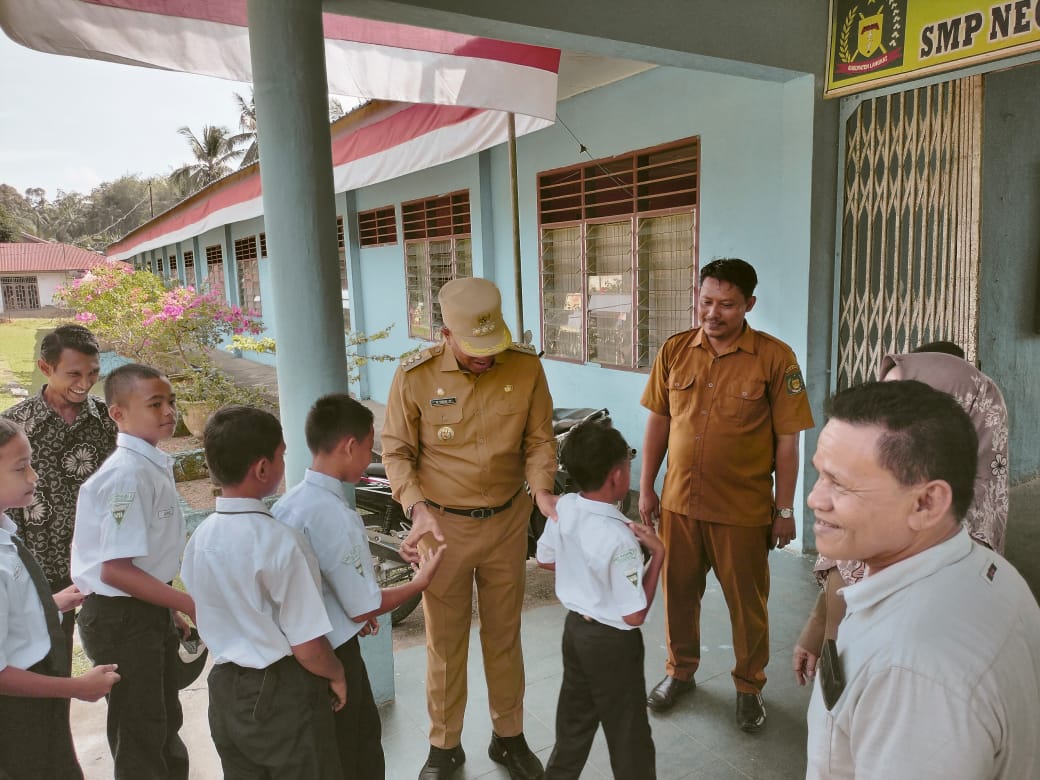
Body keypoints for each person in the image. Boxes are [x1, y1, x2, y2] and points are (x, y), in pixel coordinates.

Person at [804, 380, 1040, 779]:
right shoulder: (988, 570)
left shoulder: (912, 672)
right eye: (820, 475)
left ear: (926, 503)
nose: (815, 499)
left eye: (839, 484)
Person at [381, 276, 557, 780]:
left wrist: (543, 492)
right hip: (441, 529)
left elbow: (539, 440)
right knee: (445, 641)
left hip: (507, 523)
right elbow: (396, 451)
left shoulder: (525, 367)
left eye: (492, 344)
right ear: (445, 334)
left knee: (505, 635)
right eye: (474, 348)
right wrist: (416, 507)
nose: (486, 357)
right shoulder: (414, 376)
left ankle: (509, 736)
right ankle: (445, 745)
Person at [638, 258, 815, 732]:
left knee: (747, 604)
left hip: (742, 509)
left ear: (749, 304)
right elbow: (658, 421)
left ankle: (749, 686)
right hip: (679, 503)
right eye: (706, 301)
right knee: (678, 595)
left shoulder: (775, 358)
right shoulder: (675, 350)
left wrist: (784, 509)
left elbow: (788, 441)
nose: (713, 313)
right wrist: (647, 487)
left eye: (727, 304)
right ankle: (680, 672)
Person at [793, 342, 1009, 686]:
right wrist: (819, 626)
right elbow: (842, 569)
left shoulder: (965, 560)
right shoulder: (870, 491)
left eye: (902, 405)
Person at [273, 393, 446, 780]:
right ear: (350, 446)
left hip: (300, 651)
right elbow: (364, 606)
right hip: (331, 655)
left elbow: (316, 586)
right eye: (369, 447)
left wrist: (354, 613)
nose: (370, 457)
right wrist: (420, 582)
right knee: (357, 751)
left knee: (327, 753)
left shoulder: (289, 504)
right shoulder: (335, 515)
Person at [182, 406, 346, 779]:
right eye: (281, 456)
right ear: (262, 469)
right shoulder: (281, 542)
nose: (283, 464)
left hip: (224, 690)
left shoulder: (200, 538)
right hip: (280, 690)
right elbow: (308, 647)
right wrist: (337, 674)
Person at [70, 363, 194, 779]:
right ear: (118, 413)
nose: (169, 411)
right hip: (120, 617)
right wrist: (189, 602)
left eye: (171, 402)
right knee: (141, 732)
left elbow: (143, 562)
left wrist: (167, 608)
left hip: (143, 608)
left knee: (164, 720)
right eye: (155, 404)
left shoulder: (149, 463)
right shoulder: (127, 474)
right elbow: (116, 572)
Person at [536, 419, 664, 780]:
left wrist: (582, 570)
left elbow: (545, 558)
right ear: (616, 476)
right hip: (612, 644)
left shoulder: (565, 507)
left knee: (573, 727)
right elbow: (634, 615)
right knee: (629, 736)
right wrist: (658, 555)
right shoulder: (621, 538)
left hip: (576, 633)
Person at [0, 418, 120, 779]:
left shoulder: (5, 531)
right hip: (16, 711)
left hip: (37, 699)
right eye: (21, 468)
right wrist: (76, 688)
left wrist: (49, 604)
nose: (33, 476)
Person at [2, 323, 118, 669]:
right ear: (45, 368)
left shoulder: (109, 422)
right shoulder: (15, 426)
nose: (85, 382)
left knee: (118, 669)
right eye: (74, 374)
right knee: (50, 672)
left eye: (93, 372)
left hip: (103, 568)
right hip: (41, 573)